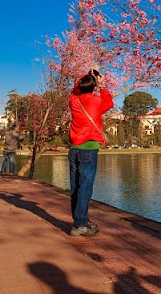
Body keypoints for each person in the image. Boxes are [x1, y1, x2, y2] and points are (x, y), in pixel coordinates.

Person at [68, 66, 113, 236]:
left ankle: (80, 220)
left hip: (73, 149)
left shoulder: (74, 101)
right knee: (85, 187)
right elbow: (109, 102)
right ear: (93, 87)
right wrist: (100, 85)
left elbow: (75, 90)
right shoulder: (97, 101)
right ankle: (80, 225)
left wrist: (87, 74)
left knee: (76, 187)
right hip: (89, 148)